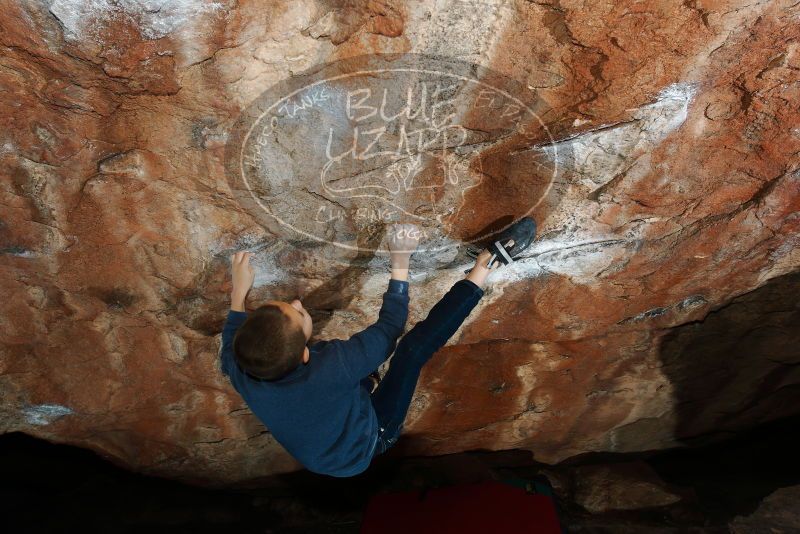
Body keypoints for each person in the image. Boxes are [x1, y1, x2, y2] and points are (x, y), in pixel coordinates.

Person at [220, 220, 536, 477]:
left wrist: (239, 293)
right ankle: (485, 267)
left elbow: (230, 346)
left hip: (319, 443)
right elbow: (390, 329)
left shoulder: (243, 370)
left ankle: (362, 385)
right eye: (298, 313)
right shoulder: (330, 368)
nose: (298, 302)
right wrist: (399, 262)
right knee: (410, 352)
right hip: (365, 444)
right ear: (306, 355)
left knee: (355, 373)